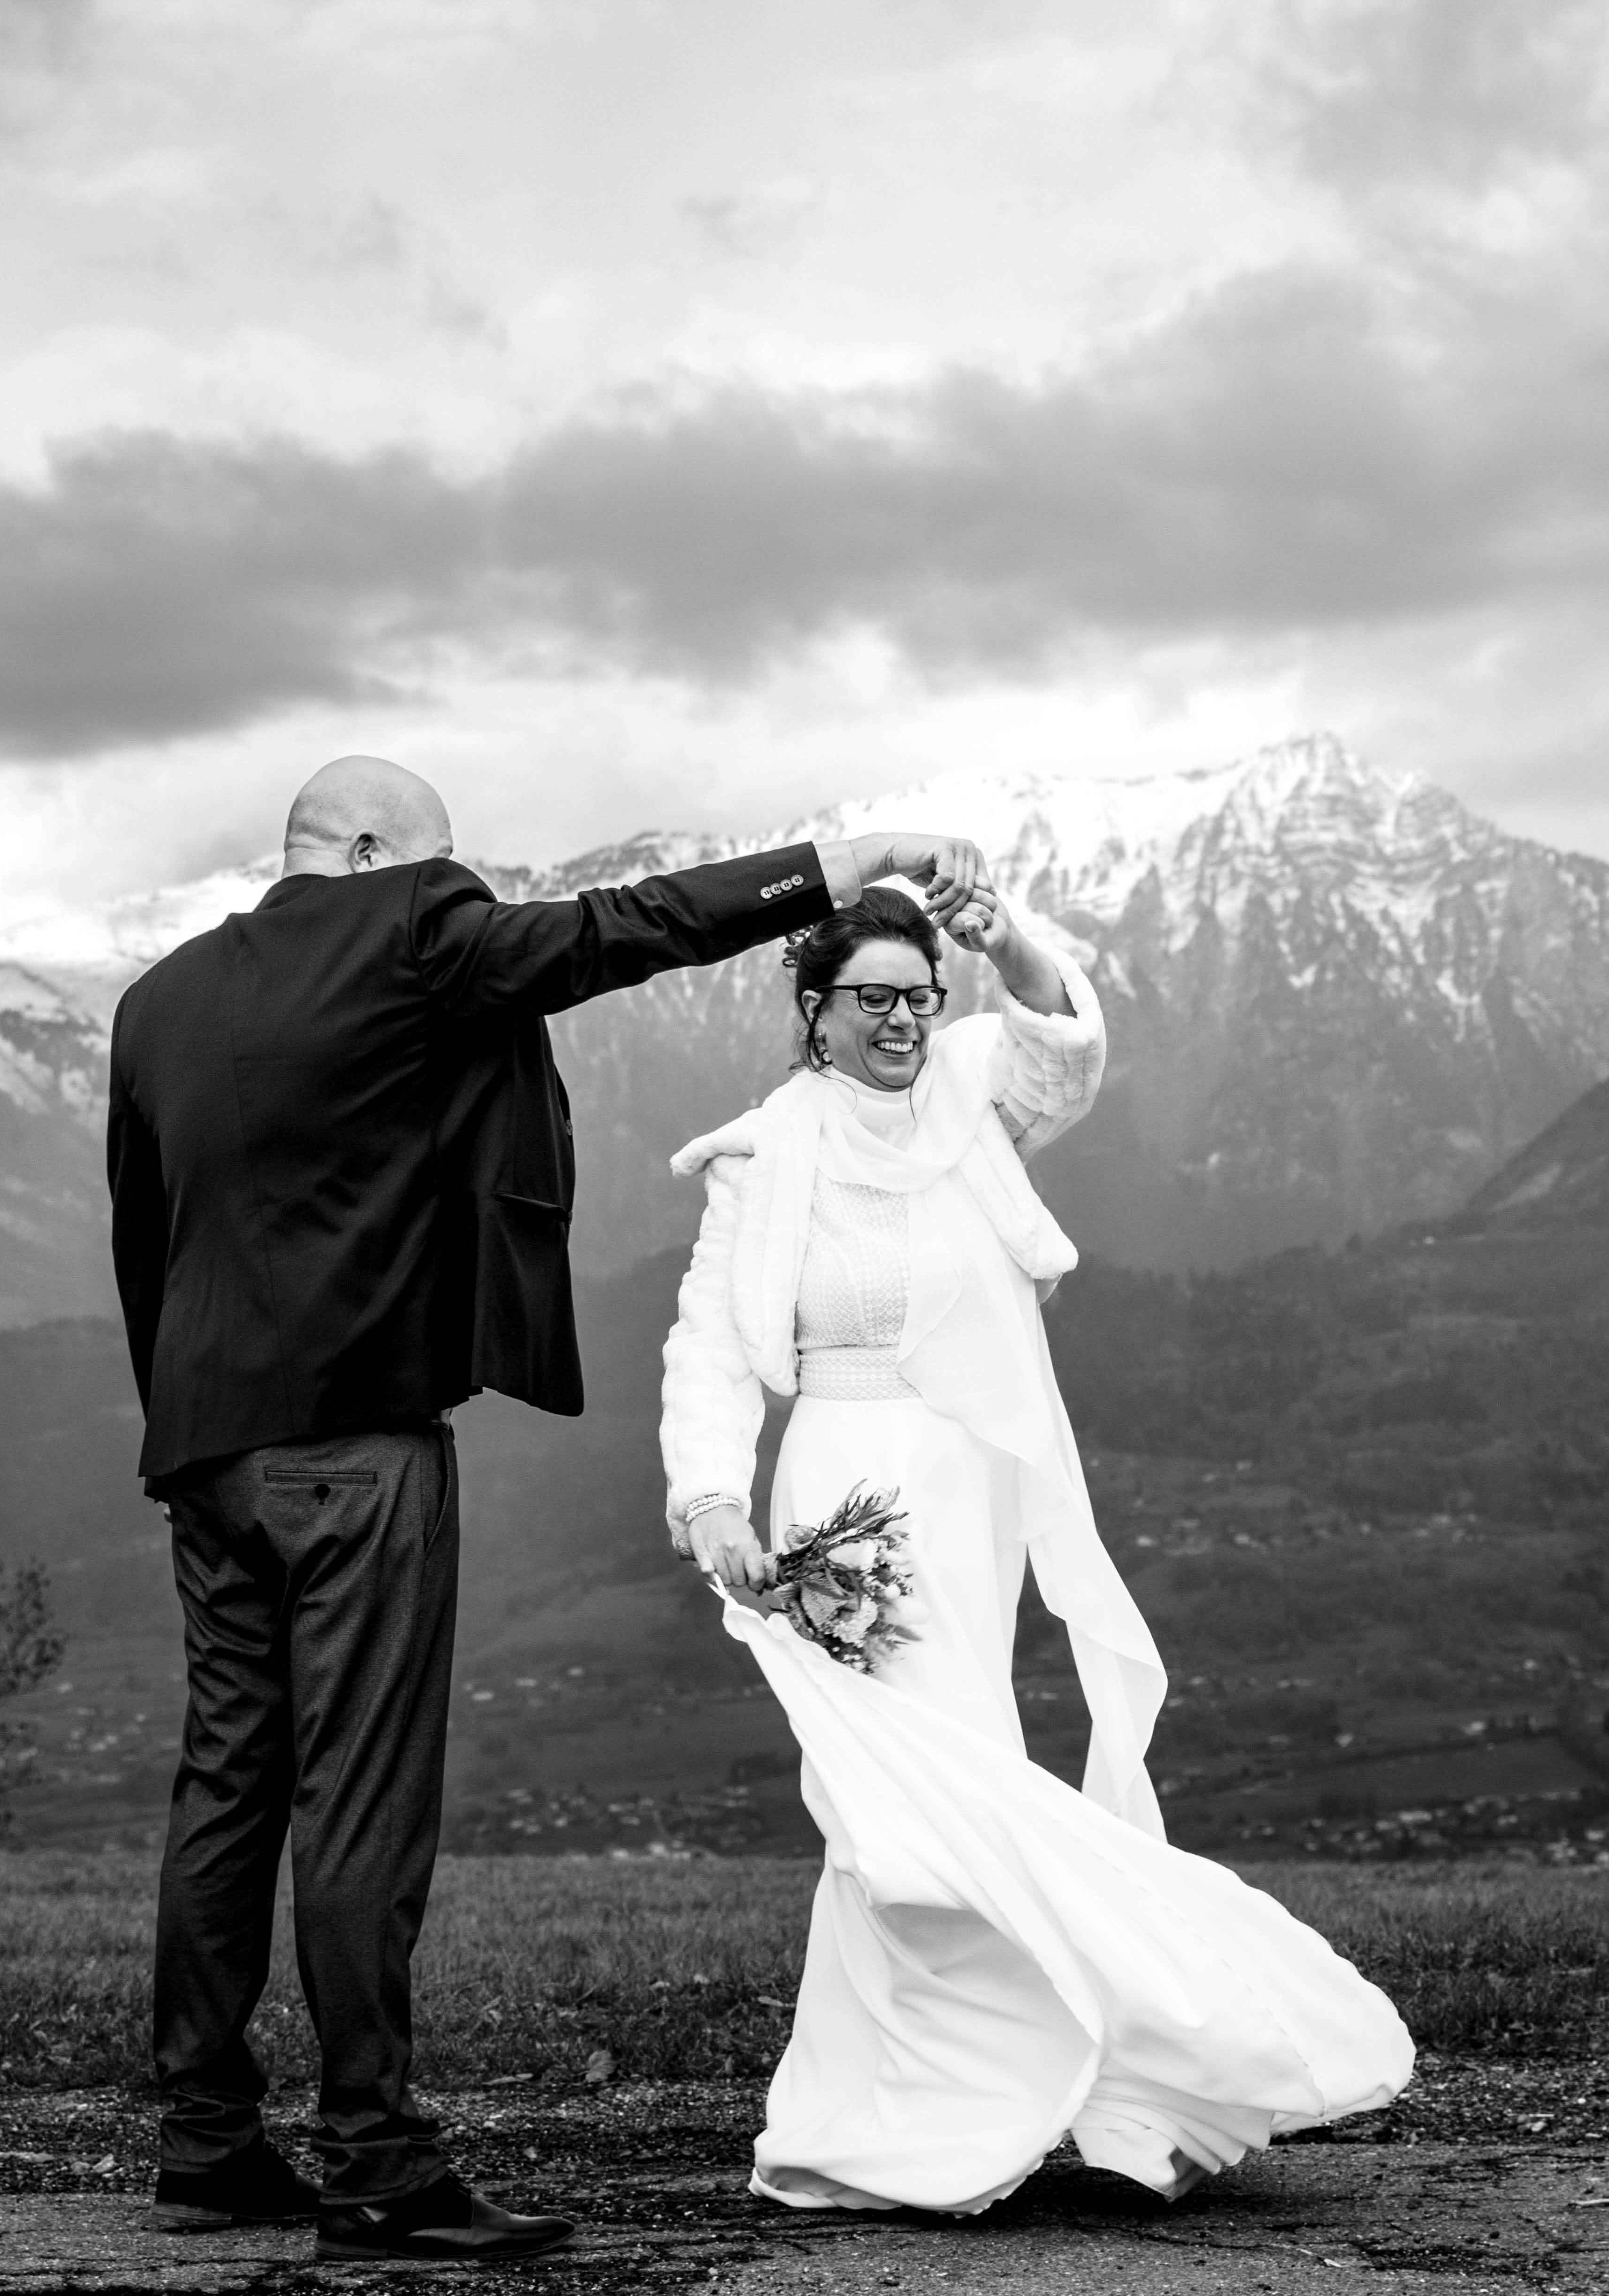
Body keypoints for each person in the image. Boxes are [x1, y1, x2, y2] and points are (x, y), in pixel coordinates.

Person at [106, 755, 991, 2264]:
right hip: (355, 1448)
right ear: (376, 850)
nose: (465, 902)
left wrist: (185, 1426)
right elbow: (623, 927)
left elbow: (147, 1230)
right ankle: (375, 2163)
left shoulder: (162, 999)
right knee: (362, 1799)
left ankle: (205, 2141)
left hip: (208, 1447)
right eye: (442, 869)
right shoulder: (411, 935)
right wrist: (854, 862)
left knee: (227, 1790)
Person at [657, 883, 1414, 2215]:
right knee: (877, 1813)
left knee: (961, 1772)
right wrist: (710, 1497)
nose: (903, 1020)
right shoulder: (762, 1158)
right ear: (812, 1013)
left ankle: (1037, 2097)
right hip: (833, 1483)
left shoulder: (972, 1100)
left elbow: (1065, 1051)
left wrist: (1001, 945)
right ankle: (903, 2110)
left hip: (962, 1487)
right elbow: (712, 1346)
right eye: (872, 999)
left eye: (919, 995)